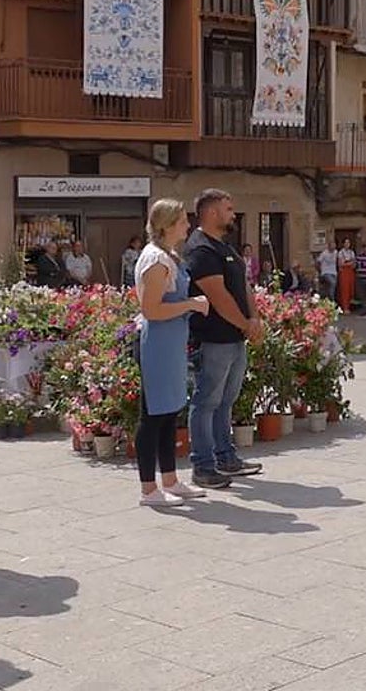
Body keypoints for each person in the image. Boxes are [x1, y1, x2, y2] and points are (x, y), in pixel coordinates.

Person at [184, 189, 264, 489]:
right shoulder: (201, 249)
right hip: (215, 337)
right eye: (229, 209)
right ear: (213, 212)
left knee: (226, 400)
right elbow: (217, 296)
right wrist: (245, 324)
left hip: (235, 337)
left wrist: (254, 320)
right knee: (206, 401)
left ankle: (226, 457)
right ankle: (203, 466)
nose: (233, 214)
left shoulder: (225, 247)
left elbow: (242, 286)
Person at [133, 199, 211, 507]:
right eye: (182, 221)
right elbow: (151, 309)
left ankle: (170, 480)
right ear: (166, 225)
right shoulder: (155, 260)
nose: (187, 226)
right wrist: (191, 304)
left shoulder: (168, 256)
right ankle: (148, 489)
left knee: (168, 413)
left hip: (171, 341)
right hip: (157, 344)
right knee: (152, 414)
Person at [337, 237, 356, 312]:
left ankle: (350, 306)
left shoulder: (352, 252)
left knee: (351, 289)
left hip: (350, 272)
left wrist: (347, 263)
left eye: (348, 243)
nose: (347, 244)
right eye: (346, 243)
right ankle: (345, 307)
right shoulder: (341, 252)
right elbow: (340, 264)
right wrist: (349, 263)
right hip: (344, 273)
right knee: (344, 290)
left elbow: (354, 264)